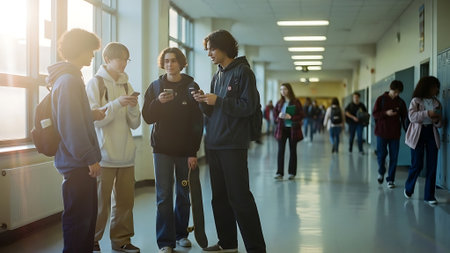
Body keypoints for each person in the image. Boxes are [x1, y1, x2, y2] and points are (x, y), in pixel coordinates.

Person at [193, 29, 266, 253]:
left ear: (224, 47)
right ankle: (228, 243)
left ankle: (256, 248)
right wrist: (204, 102)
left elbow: (248, 107)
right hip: (214, 142)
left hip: (233, 144)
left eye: (212, 49)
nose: (209, 54)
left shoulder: (244, 72)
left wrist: (220, 101)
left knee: (240, 198)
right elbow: (215, 111)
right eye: (207, 50)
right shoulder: (218, 75)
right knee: (220, 198)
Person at [142, 47, 203, 253]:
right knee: (163, 196)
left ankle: (181, 234)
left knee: (183, 193)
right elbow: (148, 117)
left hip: (185, 152)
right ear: (163, 63)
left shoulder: (191, 86)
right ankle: (165, 242)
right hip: (161, 150)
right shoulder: (155, 87)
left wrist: (193, 152)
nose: (170, 64)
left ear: (181, 63)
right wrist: (158, 102)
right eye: (166, 61)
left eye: (174, 61)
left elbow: (197, 122)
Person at [47, 28, 103, 253]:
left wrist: (91, 115)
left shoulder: (68, 79)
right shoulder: (69, 81)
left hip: (77, 162)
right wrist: (89, 158)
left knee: (84, 220)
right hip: (78, 164)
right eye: (90, 50)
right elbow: (71, 126)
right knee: (79, 222)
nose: (92, 55)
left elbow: (73, 117)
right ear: (80, 49)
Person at [85, 42, 141, 253]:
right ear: (107, 60)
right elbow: (95, 121)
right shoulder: (95, 83)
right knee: (100, 204)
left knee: (125, 204)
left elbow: (134, 124)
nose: (124, 63)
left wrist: (134, 108)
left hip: (126, 154)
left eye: (127, 59)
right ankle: (92, 240)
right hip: (104, 155)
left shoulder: (128, 85)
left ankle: (121, 240)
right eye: (121, 59)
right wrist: (117, 104)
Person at [404, 76, 442, 206]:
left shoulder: (436, 102)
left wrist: (436, 120)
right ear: (426, 87)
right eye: (434, 86)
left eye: (437, 86)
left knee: (432, 165)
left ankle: (429, 196)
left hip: (431, 132)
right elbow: (412, 117)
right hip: (417, 134)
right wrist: (427, 113)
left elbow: (439, 123)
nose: (436, 89)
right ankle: (409, 188)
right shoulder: (416, 101)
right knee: (417, 164)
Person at [372, 80, 408, 188]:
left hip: (395, 134)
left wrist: (408, 131)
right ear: (390, 89)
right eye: (395, 92)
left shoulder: (400, 102)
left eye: (398, 93)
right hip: (381, 133)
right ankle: (381, 171)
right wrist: (386, 113)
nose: (396, 94)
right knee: (381, 154)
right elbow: (374, 114)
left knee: (394, 157)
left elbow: (404, 118)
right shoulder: (381, 99)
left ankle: (390, 179)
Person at [273, 83, 304, 180]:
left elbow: (302, 115)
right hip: (282, 129)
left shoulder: (296, 102)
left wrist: (291, 117)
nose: (283, 91)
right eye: (281, 89)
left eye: (285, 89)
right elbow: (275, 116)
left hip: (293, 129)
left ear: (289, 90)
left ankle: (292, 173)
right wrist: (279, 117)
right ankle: (279, 173)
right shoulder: (279, 103)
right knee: (280, 151)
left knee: (292, 151)